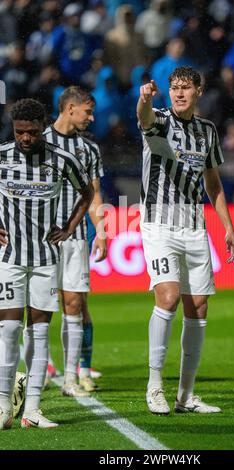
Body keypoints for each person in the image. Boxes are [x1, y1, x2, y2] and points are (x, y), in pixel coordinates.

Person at [137, 66, 234, 414]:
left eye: (185, 88)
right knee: (167, 297)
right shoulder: (160, 120)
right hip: (159, 225)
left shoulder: (207, 130)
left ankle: (186, 395)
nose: (179, 93)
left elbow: (213, 181)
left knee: (199, 307)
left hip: (195, 226)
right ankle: (154, 387)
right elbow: (144, 117)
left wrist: (227, 226)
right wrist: (144, 99)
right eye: (174, 88)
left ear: (198, 90)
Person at [0, 98, 93, 429]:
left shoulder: (61, 159)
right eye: (20, 132)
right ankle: (2, 408)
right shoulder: (2, 157)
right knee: (8, 331)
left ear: (43, 128)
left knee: (39, 334)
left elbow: (87, 194)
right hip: (9, 258)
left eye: (32, 132)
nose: (25, 138)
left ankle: (33, 411)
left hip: (44, 259)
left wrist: (68, 228)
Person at [44, 86, 107, 395]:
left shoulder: (89, 150)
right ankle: (40, 368)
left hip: (76, 236)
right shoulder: (39, 141)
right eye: (87, 111)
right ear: (70, 108)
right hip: (41, 238)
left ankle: (75, 374)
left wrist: (102, 231)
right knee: (38, 305)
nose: (92, 118)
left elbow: (94, 195)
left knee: (76, 303)